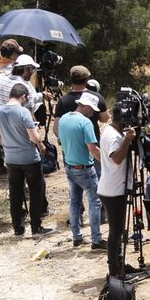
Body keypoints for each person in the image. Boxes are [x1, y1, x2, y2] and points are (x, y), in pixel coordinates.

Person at [0, 82, 53, 236]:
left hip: (11, 159)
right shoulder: (23, 112)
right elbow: (34, 137)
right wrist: (40, 141)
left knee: (15, 194)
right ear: (23, 96)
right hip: (29, 158)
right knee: (35, 192)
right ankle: (36, 227)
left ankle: (18, 228)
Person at [58, 91, 104, 249]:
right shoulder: (85, 123)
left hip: (69, 166)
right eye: (91, 109)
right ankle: (96, 239)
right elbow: (93, 149)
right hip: (85, 168)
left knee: (75, 202)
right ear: (85, 106)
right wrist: (107, 162)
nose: (93, 112)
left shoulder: (64, 119)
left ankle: (77, 237)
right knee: (95, 203)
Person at [97, 106, 138, 277]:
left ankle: (119, 263)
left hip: (113, 188)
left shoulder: (112, 131)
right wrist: (127, 140)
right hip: (113, 191)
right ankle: (114, 269)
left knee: (118, 230)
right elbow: (117, 158)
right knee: (116, 232)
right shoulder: (113, 135)